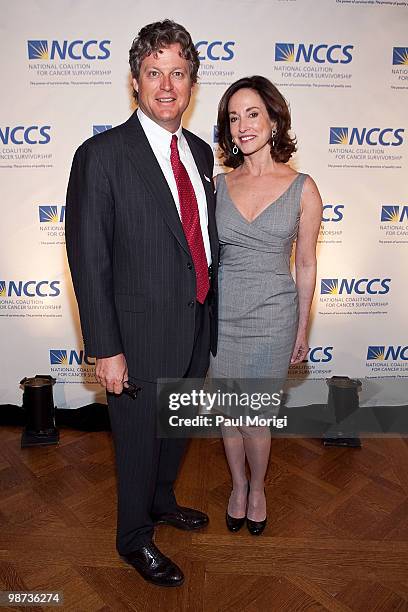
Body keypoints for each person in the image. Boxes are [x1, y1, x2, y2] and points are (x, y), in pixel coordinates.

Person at [65, 20, 218, 587]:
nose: (166, 85)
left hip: (195, 327)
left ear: (192, 84)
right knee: (136, 443)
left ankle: (160, 502)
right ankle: (134, 538)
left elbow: (199, 241)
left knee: (176, 434)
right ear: (135, 82)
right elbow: (89, 258)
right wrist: (106, 349)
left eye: (178, 73)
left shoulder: (201, 153)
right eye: (154, 73)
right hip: (134, 336)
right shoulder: (101, 155)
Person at [209, 76, 322, 536]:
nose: (242, 125)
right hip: (222, 318)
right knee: (228, 413)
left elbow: (307, 265)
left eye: (252, 113)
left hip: (274, 318)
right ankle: (237, 486)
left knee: (253, 415)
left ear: (274, 120)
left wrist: (301, 330)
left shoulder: (304, 188)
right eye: (234, 118)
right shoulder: (216, 185)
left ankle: (258, 488)